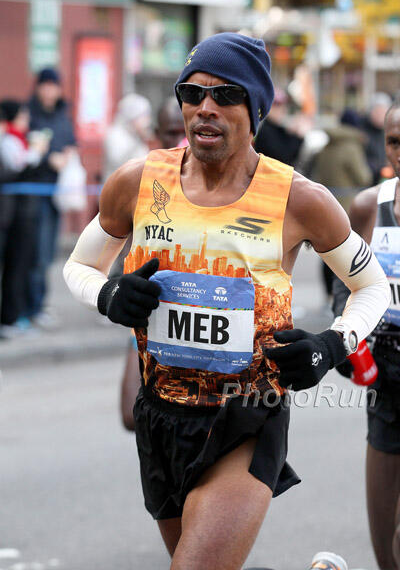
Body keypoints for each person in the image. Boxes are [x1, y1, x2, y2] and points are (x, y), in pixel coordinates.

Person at [64, 33, 390, 570]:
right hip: (162, 413)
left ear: (255, 109)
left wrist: (332, 345)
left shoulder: (299, 198)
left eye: (226, 95)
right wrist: (108, 294)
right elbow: (79, 266)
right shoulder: (137, 183)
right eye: (191, 94)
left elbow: (372, 286)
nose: (205, 107)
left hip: (247, 414)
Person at [333, 99, 400, 570]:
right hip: (387, 374)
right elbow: (344, 281)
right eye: (395, 141)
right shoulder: (368, 206)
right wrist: (348, 332)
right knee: (384, 545)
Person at [120, 96, 186, 431]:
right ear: (157, 136)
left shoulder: (218, 179)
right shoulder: (140, 179)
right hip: (152, 316)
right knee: (132, 415)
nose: (179, 141)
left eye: (184, 132)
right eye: (171, 133)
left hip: (205, 321)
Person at [26, 67, 77, 328]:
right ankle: (31, 306)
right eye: (45, 85)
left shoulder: (62, 115)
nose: (49, 90)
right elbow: (27, 150)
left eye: (53, 85)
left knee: (47, 252)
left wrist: (67, 155)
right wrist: (48, 158)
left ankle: (40, 304)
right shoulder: (29, 114)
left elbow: (71, 143)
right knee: (33, 252)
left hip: (58, 194)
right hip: (33, 193)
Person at [0, 100, 49, 336]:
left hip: (20, 214)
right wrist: (36, 152)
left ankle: (16, 316)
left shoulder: (16, 139)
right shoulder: (9, 141)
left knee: (21, 265)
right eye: (23, 116)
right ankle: (9, 319)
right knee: (14, 267)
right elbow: (18, 165)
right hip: (12, 215)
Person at [311, 108, 372, 297]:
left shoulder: (327, 145)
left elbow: (316, 175)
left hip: (325, 206)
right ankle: (343, 295)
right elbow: (364, 177)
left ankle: (329, 294)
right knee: (347, 253)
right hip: (347, 206)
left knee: (327, 253)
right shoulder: (352, 147)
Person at [103, 93, 152, 183]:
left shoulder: (137, 136)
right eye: (143, 116)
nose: (146, 121)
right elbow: (118, 162)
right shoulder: (115, 134)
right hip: (117, 187)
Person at [254, 87, 304, 166]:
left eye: (283, 105)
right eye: (277, 106)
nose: (282, 110)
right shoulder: (266, 132)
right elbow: (284, 158)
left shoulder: (276, 128)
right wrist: (298, 136)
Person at [362, 92, 392, 185]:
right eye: (377, 111)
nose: (380, 115)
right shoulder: (362, 132)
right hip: (368, 181)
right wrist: (379, 169)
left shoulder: (390, 131)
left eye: (383, 111)